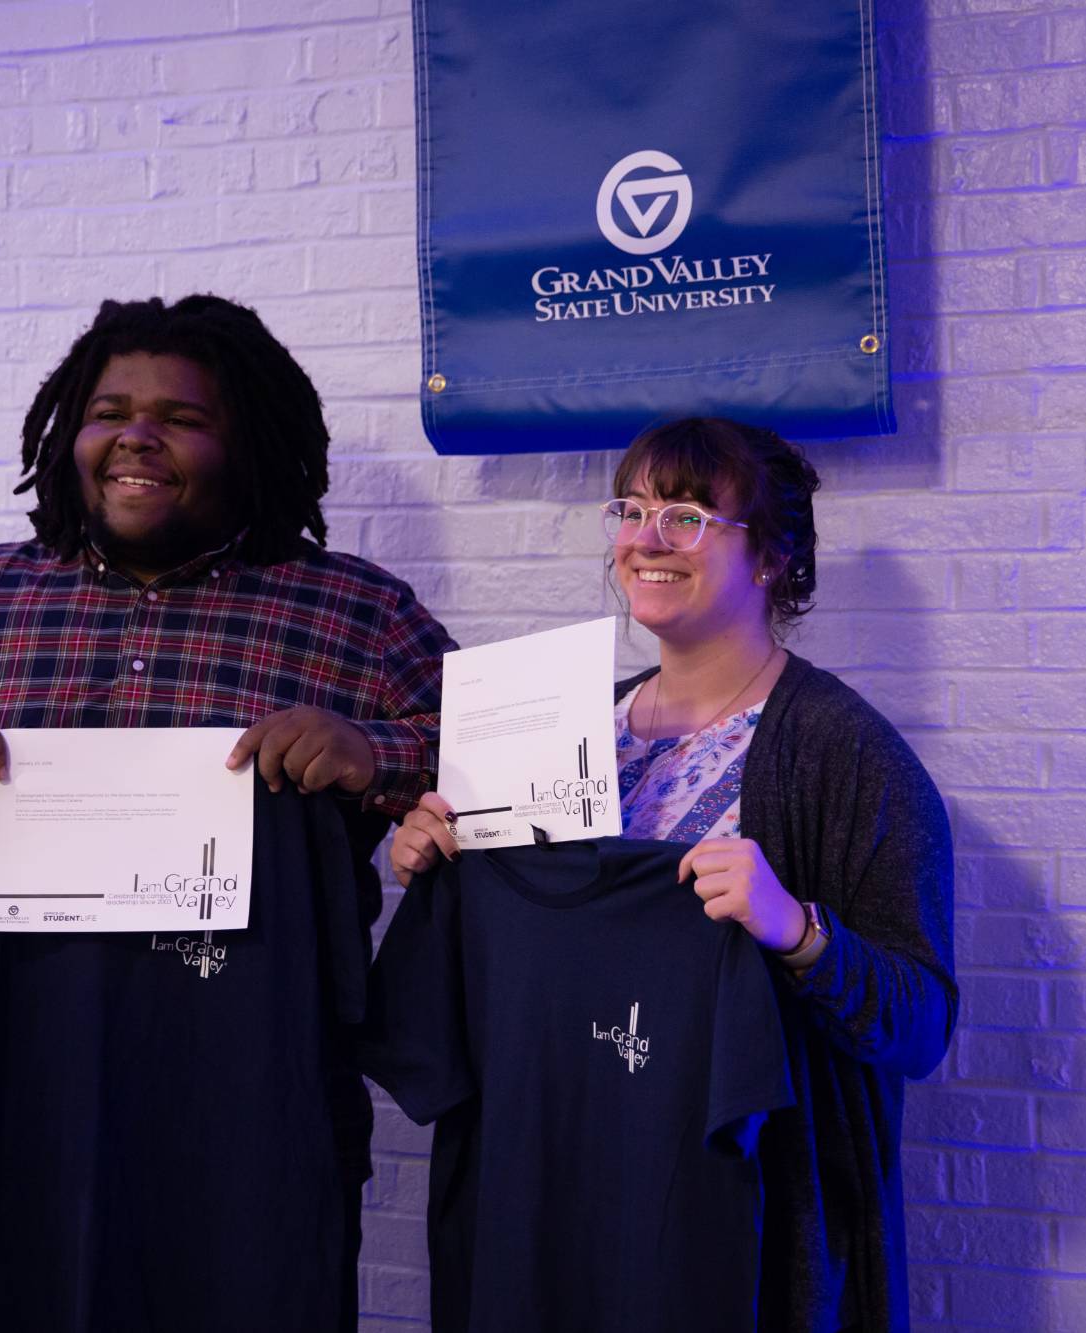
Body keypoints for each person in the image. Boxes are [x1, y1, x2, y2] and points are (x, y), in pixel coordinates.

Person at [0, 293, 456, 1318]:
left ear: (244, 441)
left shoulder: (354, 612)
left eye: (182, 417)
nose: (137, 436)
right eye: (109, 412)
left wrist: (374, 754)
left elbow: (495, 759)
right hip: (7, 1100)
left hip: (252, 1112)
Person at [389, 417, 955, 1332]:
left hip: (738, 1222)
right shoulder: (562, 728)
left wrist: (798, 931)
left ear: (769, 556)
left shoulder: (846, 753)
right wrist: (435, 855)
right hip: (559, 1198)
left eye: (687, 515)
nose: (646, 538)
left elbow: (921, 1024)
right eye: (631, 509)